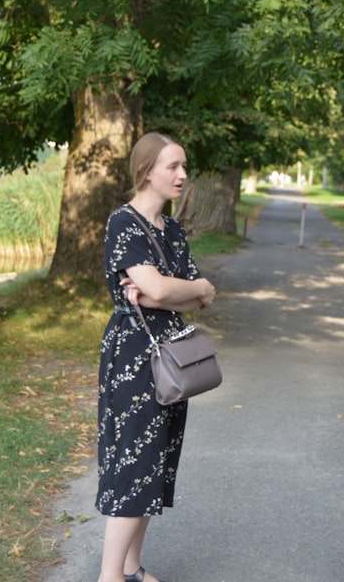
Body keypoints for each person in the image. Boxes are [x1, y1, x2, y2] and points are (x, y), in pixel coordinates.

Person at [96, 132, 216, 582]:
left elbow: (193, 295)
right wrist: (177, 291)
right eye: (173, 167)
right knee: (134, 463)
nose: (182, 175)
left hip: (173, 358)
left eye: (184, 166)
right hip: (133, 357)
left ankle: (131, 568)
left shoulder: (174, 230)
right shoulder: (122, 224)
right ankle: (109, 578)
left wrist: (175, 293)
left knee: (157, 462)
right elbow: (172, 288)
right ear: (147, 171)